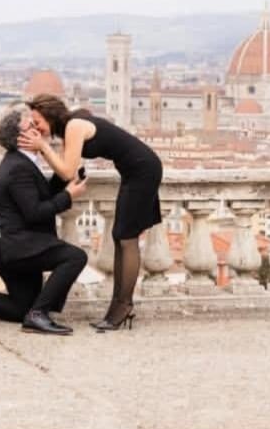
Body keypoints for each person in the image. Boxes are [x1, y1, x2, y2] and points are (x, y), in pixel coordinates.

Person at [19, 94, 163, 331]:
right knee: (120, 236)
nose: (36, 127)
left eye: (37, 122)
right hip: (134, 171)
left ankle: (123, 306)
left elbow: (67, 172)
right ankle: (119, 305)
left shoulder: (74, 126)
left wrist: (43, 147)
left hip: (143, 170)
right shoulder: (70, 126)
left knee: (126, 238)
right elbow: (68, 169)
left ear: (50, 116)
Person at [0, 103, 89, 335]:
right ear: (21, 138)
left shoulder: (21, 162)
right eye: (31, 126)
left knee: (22, 308)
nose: (38, 129)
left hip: (9, 242)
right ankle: (38, 315)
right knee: (75, 257)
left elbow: (39, 195)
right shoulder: (18, 167)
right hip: (13, 244)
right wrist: (68, 196)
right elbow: (35, 212)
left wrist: (65, 175)